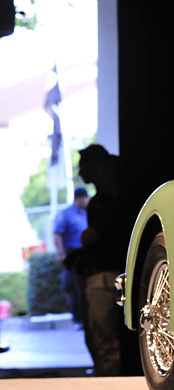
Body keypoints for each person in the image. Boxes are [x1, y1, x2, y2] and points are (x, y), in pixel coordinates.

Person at [75, 144, 132, 376]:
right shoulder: (110, 198)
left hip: (104, 278)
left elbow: (92, 236)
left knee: (105, 342)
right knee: (104, 340)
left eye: (83, 167)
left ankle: (109, 382)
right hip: (108, 275)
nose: (80, 173)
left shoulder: (106, 202)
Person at [53, 187, 90, 324]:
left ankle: (85, 316)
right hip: (72, 254)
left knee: (85, 285)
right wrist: (61, 254)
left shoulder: (85, 212)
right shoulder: (66, 214)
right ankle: (78, 318)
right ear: (79, 198)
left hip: (85, 253)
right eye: (86, 198)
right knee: (74, 287)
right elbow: (57, 235)